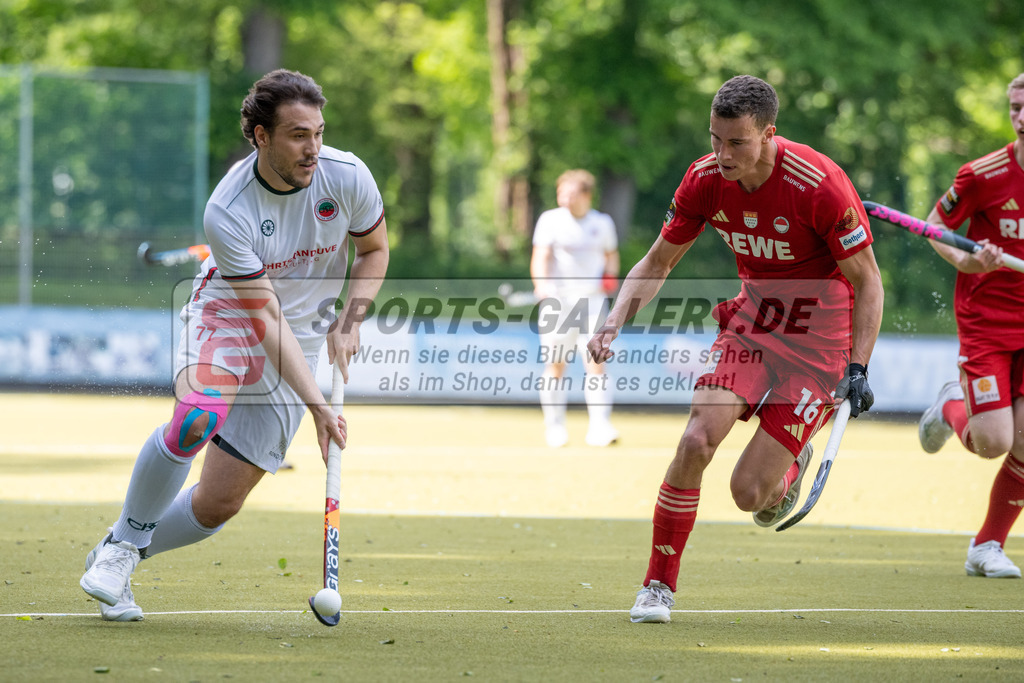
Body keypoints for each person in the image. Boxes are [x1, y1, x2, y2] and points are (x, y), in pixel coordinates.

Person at [79, 69, 389, 620]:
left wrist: (352, 318)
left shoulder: (347, 176)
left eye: (318, 132)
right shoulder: (230, 207)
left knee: (218, 503)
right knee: (198, 416)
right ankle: (124, 548)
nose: (312, 148)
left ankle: (118, 550)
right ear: (260, 136)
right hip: (231, 313)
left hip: (306, 333)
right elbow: (264, 317)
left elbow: (374, 250)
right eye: (297, 134)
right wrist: (318, 405)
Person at [587, 75, 883, 623]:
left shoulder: (819, 184)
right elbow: (656, 263)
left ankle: (787, 473)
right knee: (697, 438)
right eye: (714, 139)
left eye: (737, 143)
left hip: (821, 345)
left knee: (751, 494)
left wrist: (859, 366)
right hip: (752, 323)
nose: (721, 155)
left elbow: (868, 283)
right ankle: (657, 586)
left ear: (769, 134)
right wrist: (614, 321)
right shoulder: (704, 179)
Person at [917, 73, 1024, 579]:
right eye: (1015, 107)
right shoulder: (982, 175)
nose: (1021, 118)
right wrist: (970, 262)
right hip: (987, 323)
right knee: (994, 443)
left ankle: (986, 546)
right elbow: (934, 228)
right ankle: (950, 406)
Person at [530, 169, 620, 447]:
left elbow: (611, 257)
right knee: (556, 365)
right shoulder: (550, 220)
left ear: (585, 195)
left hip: (592, 303)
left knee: (596, 364)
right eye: (561, 193)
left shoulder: (602, 223)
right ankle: (555, 428)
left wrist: (609, 277)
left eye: (569, 193)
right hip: (558, 304)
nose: (564, 198)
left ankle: (600, 427)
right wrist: (543, 285)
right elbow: (540, 258)